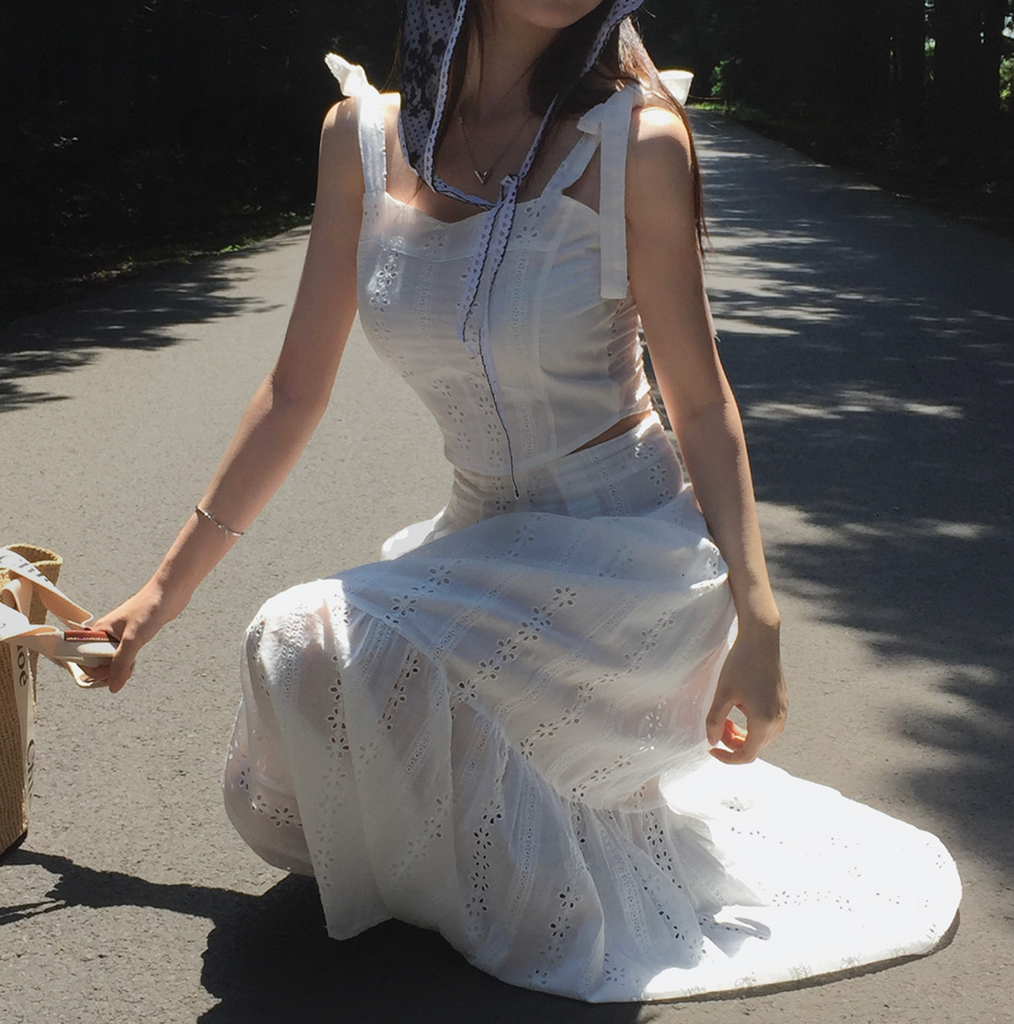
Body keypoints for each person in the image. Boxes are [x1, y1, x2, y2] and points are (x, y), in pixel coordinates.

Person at [89, 0, 960, 1004]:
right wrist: (156, 598)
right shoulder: (359, 140)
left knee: (310, 635)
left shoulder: (633, 142)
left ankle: (499, 880)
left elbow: (699, 398)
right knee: (314, 668)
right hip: (483, 539)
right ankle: (487, 863)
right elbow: (293, 393)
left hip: (633, 556)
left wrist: (758, 617)